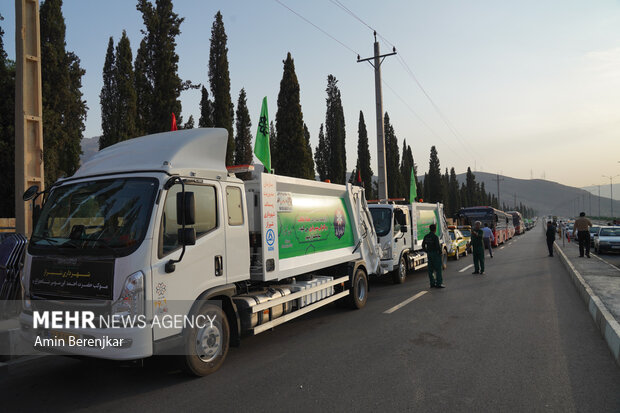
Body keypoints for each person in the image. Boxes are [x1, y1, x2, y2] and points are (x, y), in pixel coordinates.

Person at [422, 224, 445, 288]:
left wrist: (427, 251)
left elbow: (423, 245)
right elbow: (437, 246)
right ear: (435, 229)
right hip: (435, 254)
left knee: (430, 269)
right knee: (438, 269)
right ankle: (439, 283)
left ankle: (432, 283)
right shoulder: (435, 237)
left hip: (429, 254)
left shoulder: (426, 236)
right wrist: (440, 252)